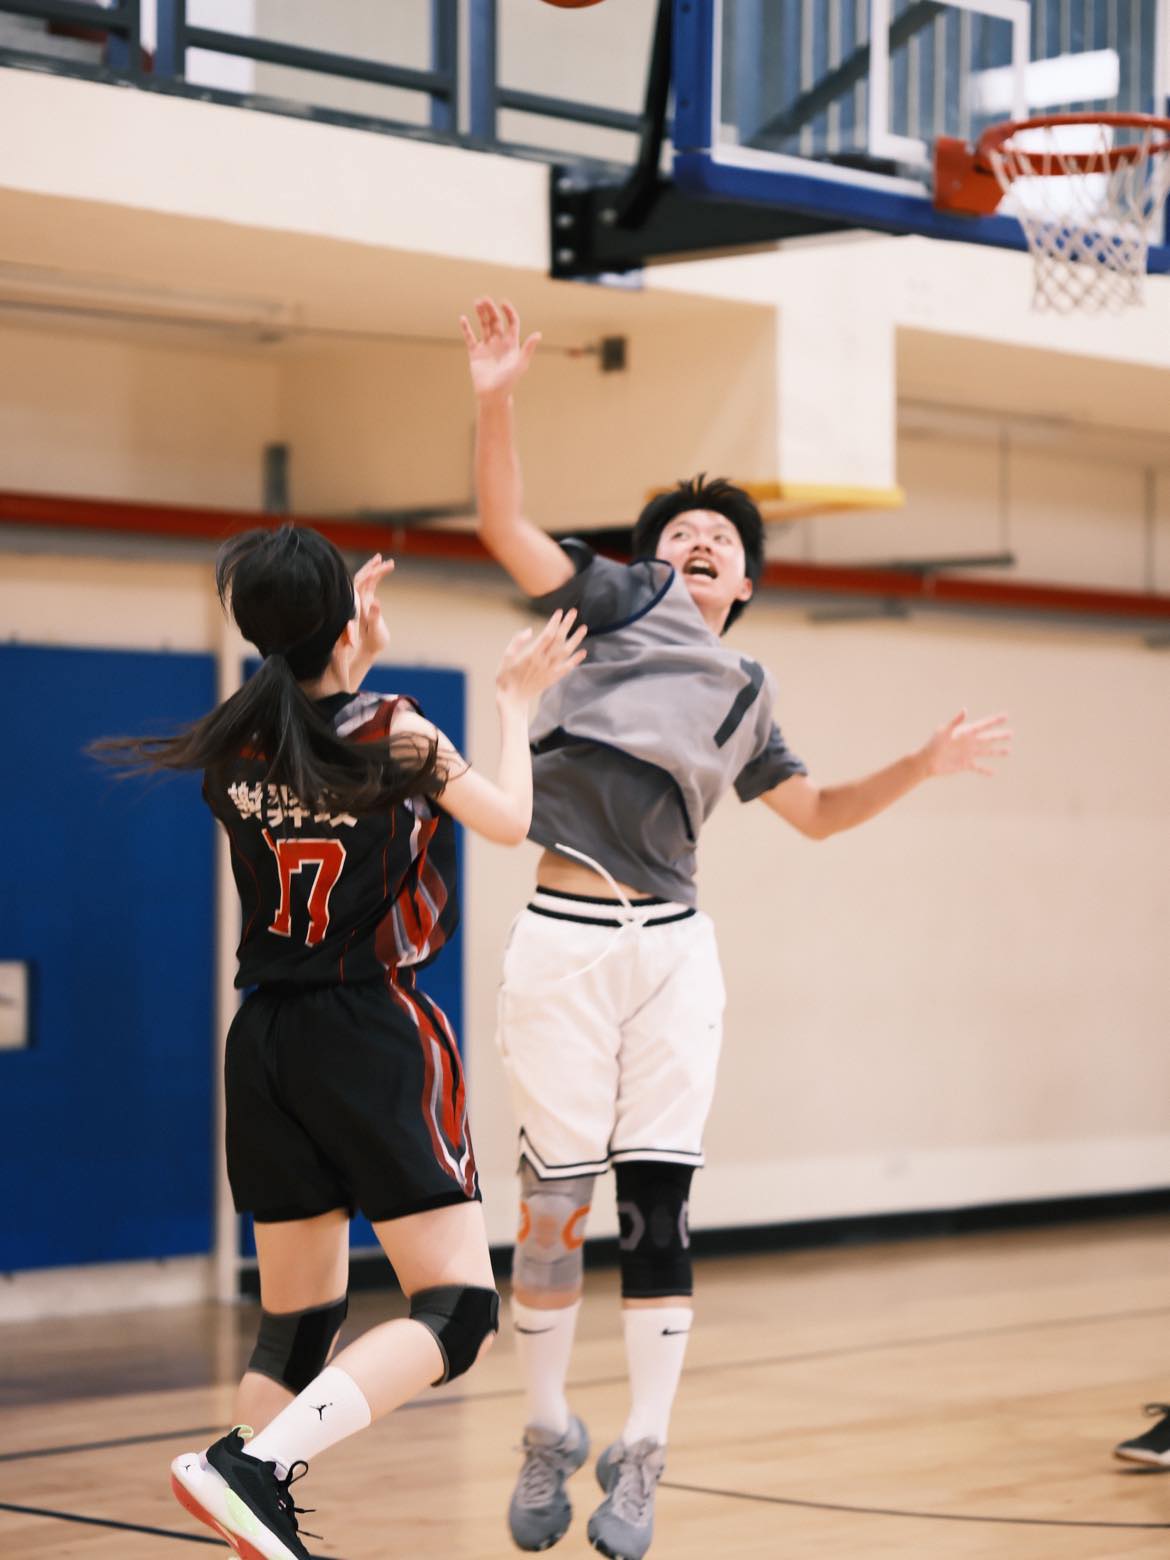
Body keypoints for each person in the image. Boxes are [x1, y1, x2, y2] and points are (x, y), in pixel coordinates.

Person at [461, 297, 1013, 1560]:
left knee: (659, 1207)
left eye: (723, 537)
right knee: (551, 1210)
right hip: (563, 936)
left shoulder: (749, 692)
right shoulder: (619, 608)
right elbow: (503, 526)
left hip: (674, 952)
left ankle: (644, 1452)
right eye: (682, 532)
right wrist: (497, 401)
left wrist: (920, 765)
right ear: (650, 565)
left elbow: (816, 815)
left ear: (748, 581)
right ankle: (546, 1426)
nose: (702, 540)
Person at [95, 523, 585, 1560]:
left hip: (265, 1043)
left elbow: (311, 735)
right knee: (455, 1310)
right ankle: (255, 1467)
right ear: (344, 622)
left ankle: (249, 1490)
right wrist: (515, 702)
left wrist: (336, 651)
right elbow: (507, 821)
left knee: (297, 1324)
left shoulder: (233, 745)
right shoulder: (397, 732)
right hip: (369, 1033)